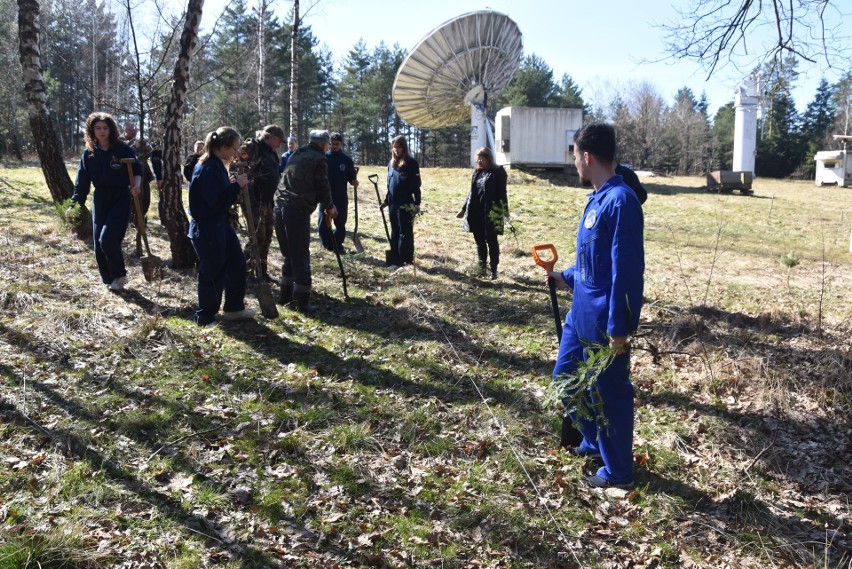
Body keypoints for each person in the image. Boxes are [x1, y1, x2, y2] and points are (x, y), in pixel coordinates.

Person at [546, 123, 644, 489]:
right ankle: (596, 442)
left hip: (606, 323)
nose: (574, 164)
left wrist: (621, 327)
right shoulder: (597, 198)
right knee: (566, 381)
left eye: (574, 156)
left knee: (609, 394)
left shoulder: (621, 202)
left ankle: (619, 470)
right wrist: (566, 277)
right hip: (580, 316)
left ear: (586, 156)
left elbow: (627, 270)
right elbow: (594, 261)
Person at [187, 127, 255, 326]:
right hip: (208, 228)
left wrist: (230, 184)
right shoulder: (208, 167)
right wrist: (236, 187)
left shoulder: (217, 165)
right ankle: (205, 316)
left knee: (236, 263)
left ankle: (234, 308)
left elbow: (217, 194)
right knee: (213, 271)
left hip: (220, 224)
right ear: (223, 147)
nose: (235, 154)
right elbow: (216, 202)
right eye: (234, 149)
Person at [70, 112, 141, 291]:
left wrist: (137, 186)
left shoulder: (122, 149)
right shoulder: (89, 154)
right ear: (92, 130)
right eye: (98, 128)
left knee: (107, 238)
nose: (102, 131)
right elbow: (82, 183)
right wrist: (74, 205)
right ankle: (109, 279)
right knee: (98, 242)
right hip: (100, 198)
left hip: (120, 197)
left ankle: (120, 275)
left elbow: (137, 169)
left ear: (111, 129)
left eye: (105, 128)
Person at [274, 130, 337, 312]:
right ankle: (303, 302)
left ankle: (285, 297)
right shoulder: (319, 158)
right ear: (324, 145)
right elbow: (323, 185)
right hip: (296, 209)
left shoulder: (298, 152)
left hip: (279, 206)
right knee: (300, 254)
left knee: (290, 254)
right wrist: (330, 206)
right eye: (327, 145)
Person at [456, 146, 508, 279]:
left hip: (491, 213)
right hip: (475, 212)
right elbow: (471, 193)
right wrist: (463, 209)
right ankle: (481, 267)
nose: (479, 162)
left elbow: (502, 193)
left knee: (491, 240)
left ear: (488, 158)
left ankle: (494, 269)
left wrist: (504, 211)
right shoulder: (477, 173)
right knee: (479, 241)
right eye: (477, 159)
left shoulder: (498, 172)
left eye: (481, 159)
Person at [241, 125, 284, 282]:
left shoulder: (271, 152)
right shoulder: (252, 147)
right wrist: (249, 184)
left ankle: (261, 271)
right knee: (256, 235)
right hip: (253, 200)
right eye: (279, 141)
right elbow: (235, 167)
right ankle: (243, 270)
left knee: (266, 236)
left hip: (267, 200)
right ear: (270, 137)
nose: (280, 145)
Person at [381, 135, 421, 268]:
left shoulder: (411, 163)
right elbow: (390, 186)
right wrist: (386, 201)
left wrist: (417, 203)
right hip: (393, 204)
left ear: (404, 148)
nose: (396, 150)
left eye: (399, 147)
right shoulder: (391, 164)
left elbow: (416, 185)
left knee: (405, 232)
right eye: (394, 147)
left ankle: (406, 260)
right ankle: (395, 259)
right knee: (395, 231)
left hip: (406, 203)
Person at [318, 132, 358, 253]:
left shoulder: (347, 160)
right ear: (329, 144)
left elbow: (351, 179)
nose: (334, 146)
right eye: (332, 143)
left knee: (340, 222)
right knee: (323, 223)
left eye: (337, 144)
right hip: (325, 196)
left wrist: (354, 181)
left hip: (340, 196)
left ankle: (337, 245)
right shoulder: (324, 158)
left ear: (341, 144)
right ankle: (326, 245)